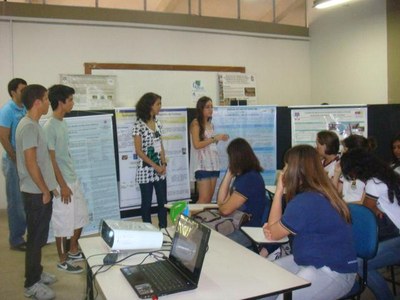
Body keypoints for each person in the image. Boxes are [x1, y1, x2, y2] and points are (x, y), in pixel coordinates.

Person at [263, 145, 357, 300]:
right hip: (311, 260)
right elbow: (274, 232)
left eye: (286, 165)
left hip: (335, 271)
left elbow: (273, 234)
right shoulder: (317, 192)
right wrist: (275, 228)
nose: (283, 170)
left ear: (295, 170)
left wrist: (279, 190)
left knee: (283, 297)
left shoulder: (305, 201)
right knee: (269, 278)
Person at [16, 84, 58, 300]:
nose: (49, 102)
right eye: (46, 98)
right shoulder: (29, 127)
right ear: (37, 102)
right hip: (35, 193)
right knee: (34, 239)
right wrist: (44, 190)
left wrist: (51, 186)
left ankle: (37, 272)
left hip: (38, 190)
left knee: (38, 236)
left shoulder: (32, 123)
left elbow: (40, 161)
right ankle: (31, 284)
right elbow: (32, 163)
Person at [341, 148, 400, 300]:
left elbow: (365, 215)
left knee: (359, 263)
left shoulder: (373, 184)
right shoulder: (385, 176)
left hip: (397, 239)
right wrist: (378, 209)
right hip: (394, 234)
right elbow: (374, 210)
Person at [43, 84, 89, 274]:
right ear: (61, 102)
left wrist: (71, 179)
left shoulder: (63, 123)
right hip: (61, 183)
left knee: (81, 216)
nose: (73, 103)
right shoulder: (49, 127)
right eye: (70, 100)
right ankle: (62, 261)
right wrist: (61, 185)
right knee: (62, 223)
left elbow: (64, 155)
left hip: (72, 178)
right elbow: (50, 160)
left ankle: (73, 249)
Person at [217, 138, 266, 248]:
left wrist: (223, 206)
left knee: (218, 245)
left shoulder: (250, 178)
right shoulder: (242, 177)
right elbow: (221, 202)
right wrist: (228, 175)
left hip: (248, 230)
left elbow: (224, 210)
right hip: (236, 223)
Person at [132, 92, 168, 228]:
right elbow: (139, 151)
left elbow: (161, 145)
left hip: (160, 170)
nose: (160, 107)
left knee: (162, 203)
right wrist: (155, 166)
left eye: (160, 104)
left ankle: (163, 229)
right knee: (146, 204)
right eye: (157, 104)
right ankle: (147, 232)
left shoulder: (158, 123)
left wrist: (163, 164)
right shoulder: (139, 125)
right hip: (145, 170)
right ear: (149, 106)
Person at [0, 78, 27, 251]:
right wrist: (15, 158)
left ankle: (28, 234)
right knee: (16, 201)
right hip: (13, 161)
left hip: (26, 159)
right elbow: (3, 137)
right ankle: (16, 240)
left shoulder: (25, 107)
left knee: (26, 200)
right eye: (22, 90)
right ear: (13, 92)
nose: (25, 92)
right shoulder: (7, 110)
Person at [190, 96, 229, 203]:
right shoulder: (196, 123)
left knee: (209, 199)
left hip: (213, 164)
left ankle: (202, 220)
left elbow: (209, 144)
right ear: (201, 108)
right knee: (203, 199)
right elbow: (197, 145)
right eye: (207, 107)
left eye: (212, 107)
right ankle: (188, 219)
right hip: (202, 165)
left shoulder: (211, 125)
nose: (210, 109)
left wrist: (219, 139)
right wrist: (214, 138)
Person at [337, 134, 377, 203]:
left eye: (345, 148)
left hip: (357, 211)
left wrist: (344, 205)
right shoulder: (347, 170)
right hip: (345, 209)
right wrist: (336, 173)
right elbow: (336, 193)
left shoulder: (368, 173)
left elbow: (363, 203)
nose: (342, 151)